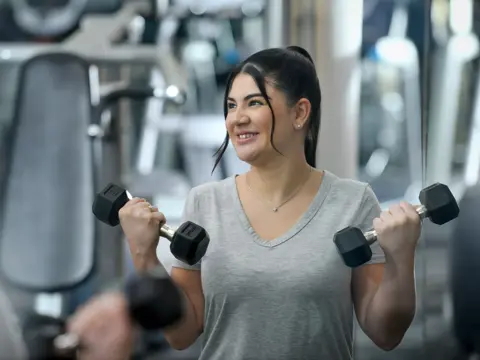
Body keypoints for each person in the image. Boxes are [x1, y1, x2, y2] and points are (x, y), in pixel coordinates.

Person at [68, 46, 421, 360]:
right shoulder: (205, 202)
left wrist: (401, 257)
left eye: (254, 103)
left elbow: (385, 334)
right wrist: (143, 253)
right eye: (231, 106)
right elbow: (182, 334)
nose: (236, 118)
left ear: (299, 113)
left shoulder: (353, 202)